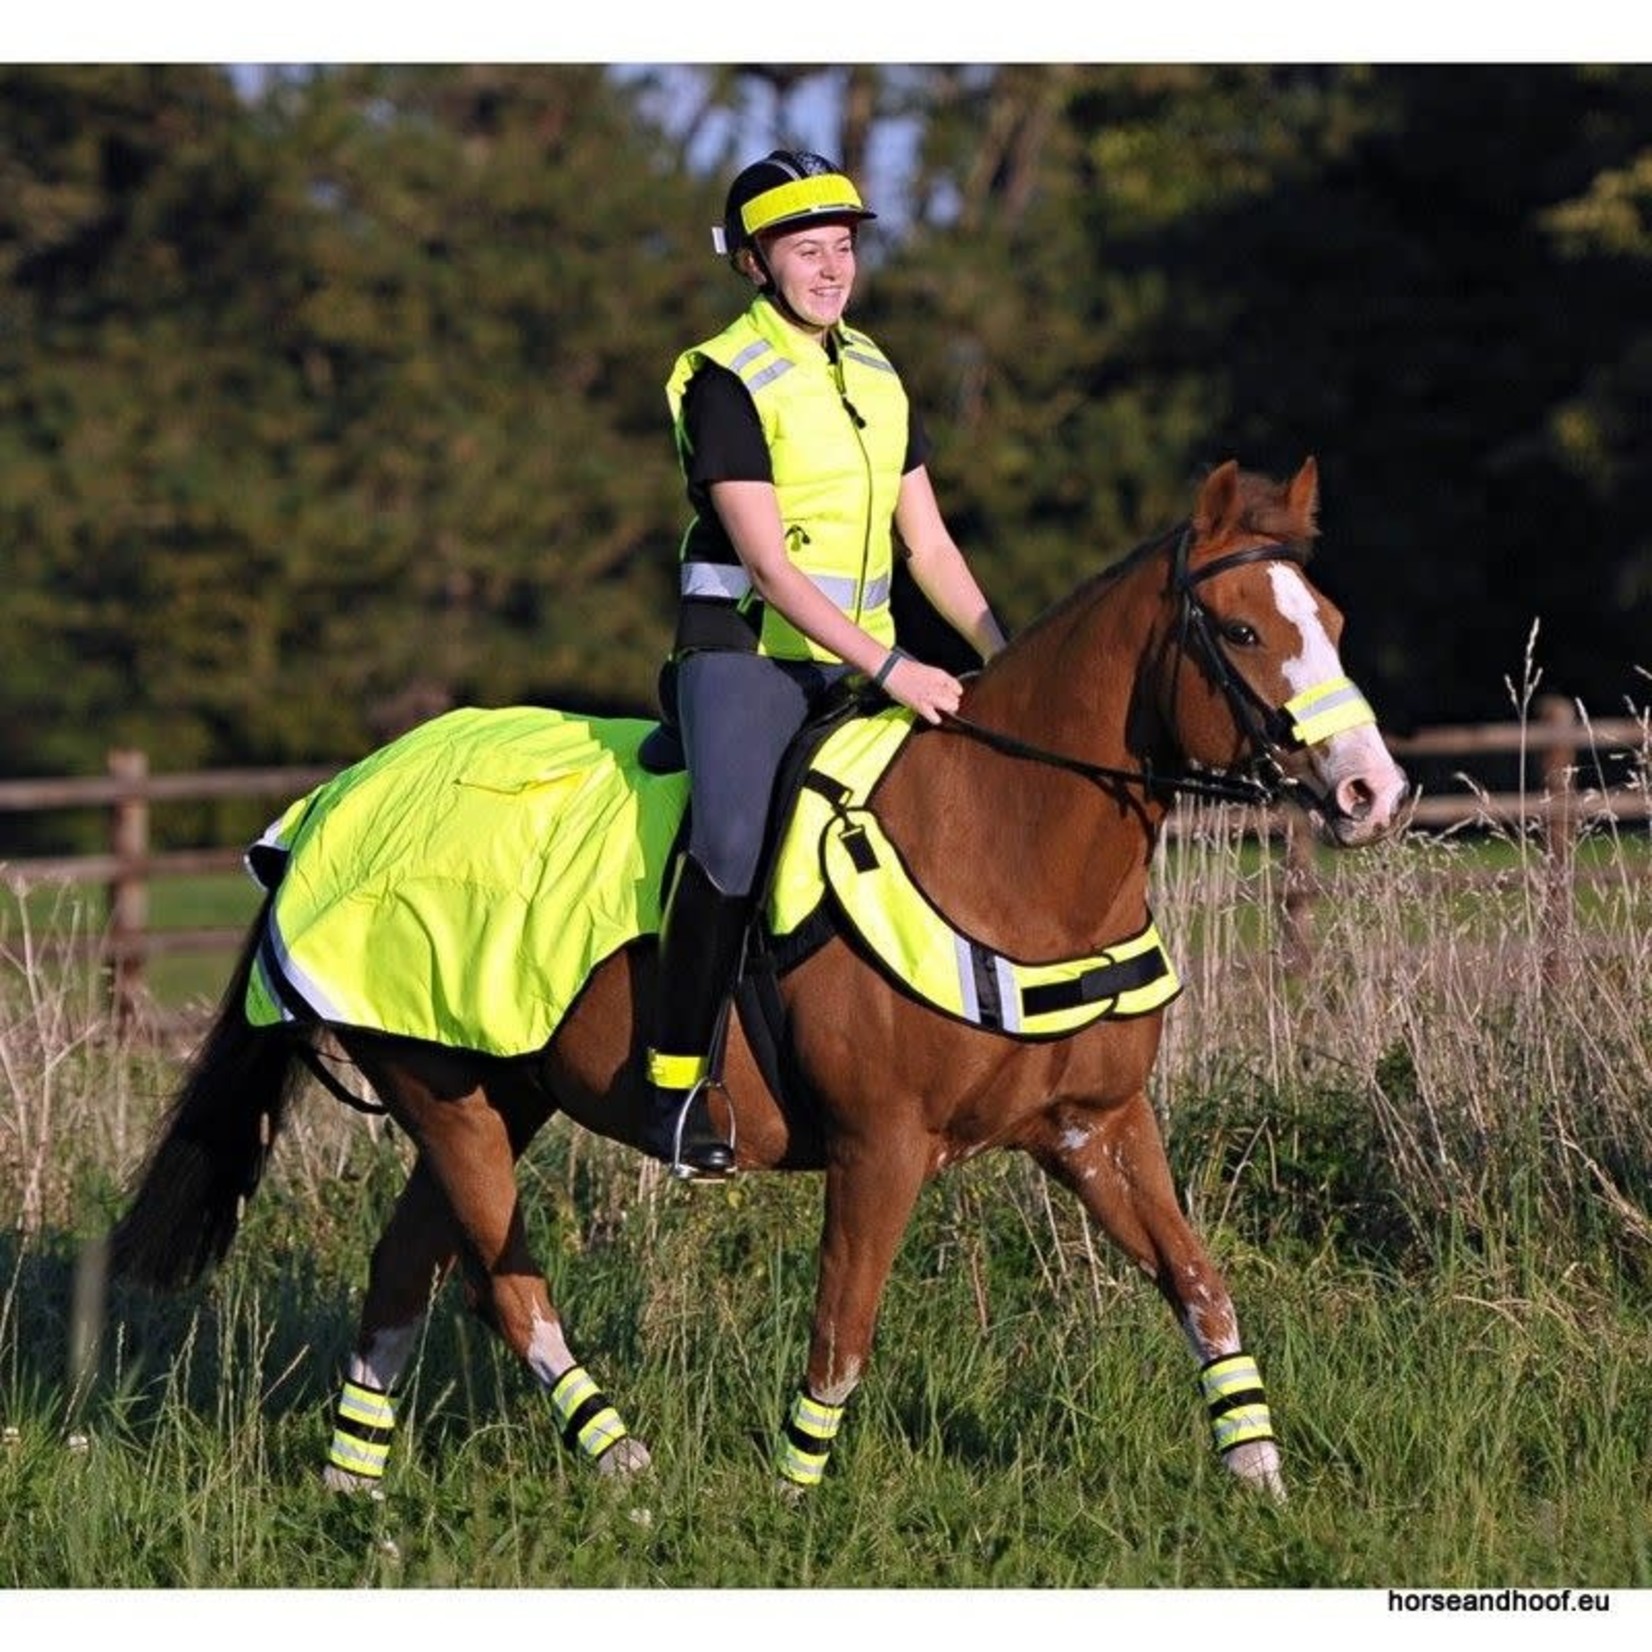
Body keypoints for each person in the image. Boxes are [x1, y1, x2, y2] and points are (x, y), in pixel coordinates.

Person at [647, 148, 1006, 1179]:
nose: (830, 266)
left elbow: (927, 546)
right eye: (807, 249)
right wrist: (894, 669)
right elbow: (764, 563)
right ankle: (675, 1083)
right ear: (755, 264)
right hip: (745, 658)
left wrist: (1000, 654)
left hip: (850, 667)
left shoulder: (879, 372)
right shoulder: (724, 377)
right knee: (727, 841)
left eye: (841, 245)